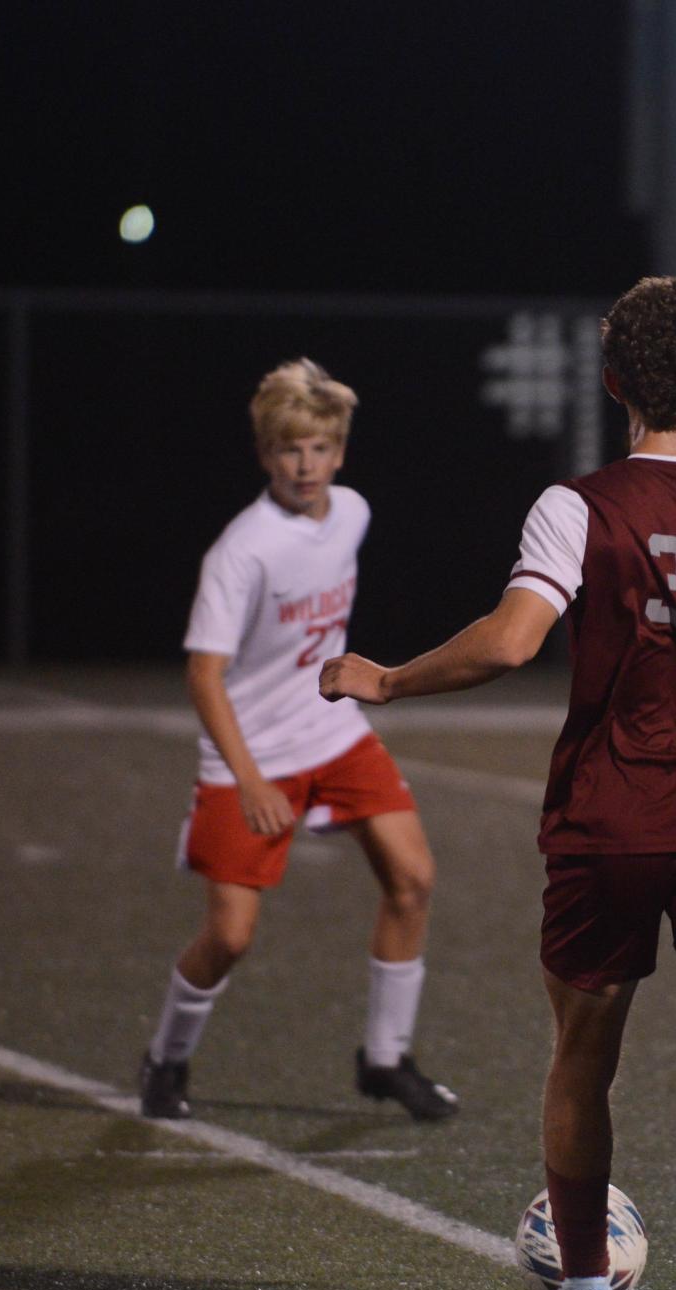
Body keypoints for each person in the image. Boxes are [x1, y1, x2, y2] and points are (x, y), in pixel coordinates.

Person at [319, 278, 676, 1290]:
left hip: (608, 826)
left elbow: (513, 640)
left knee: (582, 1056)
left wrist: (386, 682)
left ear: (614, 382)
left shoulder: (578, 505)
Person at [140, 358, 459, 1125]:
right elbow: (204, 676)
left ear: (340, 452)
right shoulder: (241, 550)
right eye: (289, 449)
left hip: (332, 730)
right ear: (264, 455)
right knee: (231, 936)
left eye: (318, 448)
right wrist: (248, 780)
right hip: (252, 755)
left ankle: (385, 1058)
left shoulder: (351, 512)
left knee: (413, 879)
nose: (305, 464)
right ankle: (165, 1059)